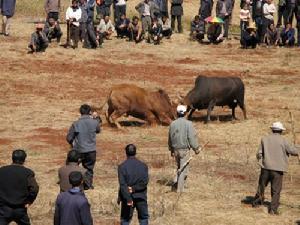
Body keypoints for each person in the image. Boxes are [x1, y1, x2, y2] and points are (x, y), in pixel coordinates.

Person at [252, 122, 299, 214]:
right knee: (276, 190)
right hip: (278, 170)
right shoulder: (284, 140)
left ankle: (257, 202)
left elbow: (259, 154)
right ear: (281, 131)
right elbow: (292, 151)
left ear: (272, 129)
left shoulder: (264, 139)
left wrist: (262, 163)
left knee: (261, 186)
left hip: (265, 167)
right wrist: (298, 147)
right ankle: (273, 209)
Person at [66, 104, 101, 189]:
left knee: (72, 166)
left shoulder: (76, 123)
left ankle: (72, 184)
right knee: (89, 169)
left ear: (80, 112)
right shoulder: (94, 122)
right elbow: (98, 130)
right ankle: (88, 185)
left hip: (78, 150)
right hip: (91, 151)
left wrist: (72, 144)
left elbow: (69, 137)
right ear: (90, 112)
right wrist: (96, 118)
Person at [0, 149, 39, 225]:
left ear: (12, 158)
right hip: (20, 209)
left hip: (3, 209)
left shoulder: (1, 171)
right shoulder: (28, 172)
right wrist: (29, 201)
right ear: (24, 160)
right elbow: (34, 189)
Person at [168, 105, 201, 193]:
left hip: (175, 150)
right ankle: (180, 189)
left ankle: (177, 184)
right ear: (185, 113)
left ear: (177, 113)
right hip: (184, 150)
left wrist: (171, 150)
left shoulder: (172, 124)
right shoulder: (188, 124)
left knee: (179, 167)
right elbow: (191, 137)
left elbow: (170, 137)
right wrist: (196, 148)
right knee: (183, 169)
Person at [118, 144, 149, 225]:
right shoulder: (143, 166)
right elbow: (145, 182)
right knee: (143, 219)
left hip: (127, 198)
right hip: (141, 197)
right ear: (135, 152)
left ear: (126, 153)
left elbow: (123, 185)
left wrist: (128, 199)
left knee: (125, 220)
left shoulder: (122, 167)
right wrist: (134, 188)